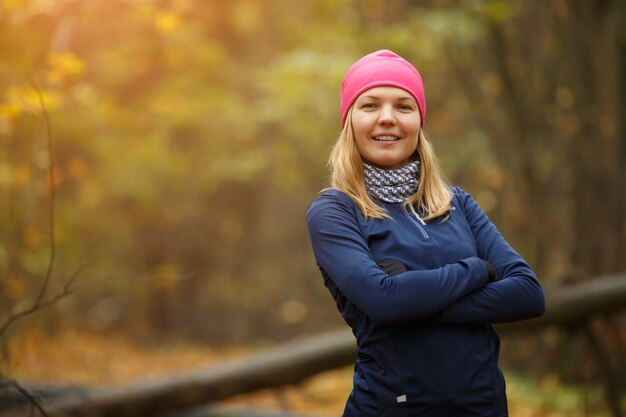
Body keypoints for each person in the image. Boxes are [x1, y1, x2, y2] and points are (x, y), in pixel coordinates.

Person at [305, 49, 545, 417]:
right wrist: (478, 270)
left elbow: (528, 294)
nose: (387, 118)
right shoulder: (335, 211)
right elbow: (386, 301)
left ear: (419, 119)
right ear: (349, 120)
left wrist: (410, 297)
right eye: (370, 106)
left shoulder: (457, 202)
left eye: (403, 106)